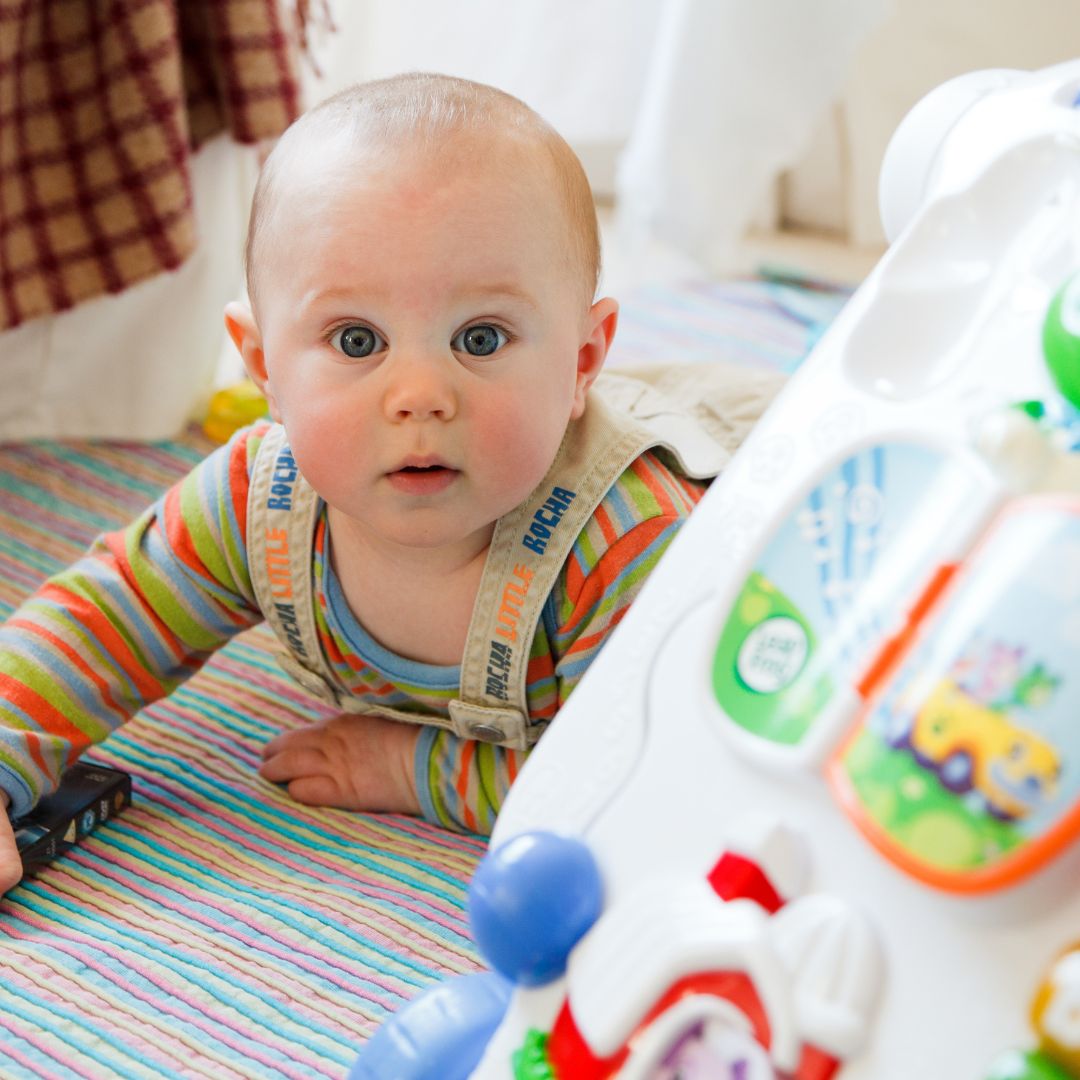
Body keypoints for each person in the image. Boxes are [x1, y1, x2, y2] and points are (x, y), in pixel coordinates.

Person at [0, 73, 777, 893]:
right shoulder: (258, 499)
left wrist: (418, 767)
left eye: (479, 338)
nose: (419, 396)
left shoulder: (629, 549)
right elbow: (103, 619)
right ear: (264, 365)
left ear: (582, 360)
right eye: (357, 339)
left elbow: (650, 784)